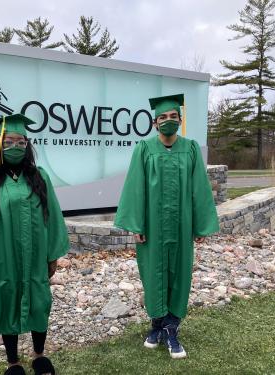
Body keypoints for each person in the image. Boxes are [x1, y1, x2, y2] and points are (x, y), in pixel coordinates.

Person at [0, 113, 69, 375]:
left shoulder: (39, 176)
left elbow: (52, 216)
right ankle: (13, 362)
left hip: (36, 256)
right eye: (9, 142)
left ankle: (40, 355)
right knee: (8, 302)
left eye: (21, 142)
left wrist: (53, 255)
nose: (15, 147)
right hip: (2, 257)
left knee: (40, 302)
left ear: (27, 145)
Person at [114, 94, 219, 359]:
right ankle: (156, 325)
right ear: (154, 123)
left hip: (182, 226)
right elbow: (135, 187)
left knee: (180, 274)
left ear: (180, 121)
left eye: (173, 117)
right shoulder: (144, 149)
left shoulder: (191, 148)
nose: (168, 121)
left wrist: (200, 225)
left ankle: (172, 328)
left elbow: (199, 189)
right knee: (153, 274)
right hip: (152, 227)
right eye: (163, 117)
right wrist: (135, 223)